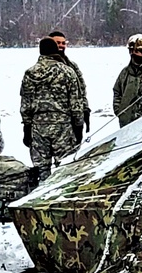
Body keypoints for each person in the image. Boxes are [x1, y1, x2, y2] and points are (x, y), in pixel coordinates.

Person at [20, 37, 84, 181]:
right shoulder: (67, 72)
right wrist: (78, 126)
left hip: (38, 127)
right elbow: (76, 103)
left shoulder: (30, 73)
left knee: (41, 169)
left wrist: (27, 126)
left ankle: (41, 197)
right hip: (62, 127)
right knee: (66, 168)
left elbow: (25, 103)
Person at [49, 30, 91, 134]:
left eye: (63, 43)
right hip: (48, 123)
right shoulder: (41, 69)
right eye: (58, 43)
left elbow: (81, 89)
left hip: (71, 122)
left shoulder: (72, 66)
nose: (61, 46)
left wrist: (85, 110)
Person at [112, 33, 142, 126]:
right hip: (126, 122)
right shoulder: (125, 73)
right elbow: (117, 91)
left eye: (138, 50)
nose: (134, 53)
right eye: (131, 50)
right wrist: (119, 111)